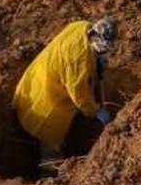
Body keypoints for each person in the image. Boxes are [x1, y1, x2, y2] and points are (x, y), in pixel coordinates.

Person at [13, 17, 117, 163]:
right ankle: (49, 176)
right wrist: (96, 111)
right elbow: (80, 97)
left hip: (37, 79)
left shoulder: (82, 27)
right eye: (101, 48)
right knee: (50, 144)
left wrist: (96, 61)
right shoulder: (78, 60)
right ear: (94, 37)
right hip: (47, 104)